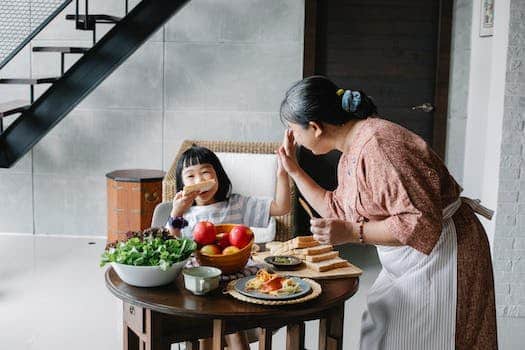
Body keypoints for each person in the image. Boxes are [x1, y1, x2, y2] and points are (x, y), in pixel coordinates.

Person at [276, 75, 497, 349]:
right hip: (413, 258)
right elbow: (336, 208)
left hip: (445, 254)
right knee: (381, 334)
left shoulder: (379, 146)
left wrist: (353, 233)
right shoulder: (351, 151)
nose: (294, 140)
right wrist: (293, 169)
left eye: (293, 131)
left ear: (315, 127)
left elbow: (421, 223)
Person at [166, 145, 290, 350]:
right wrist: (176, 214)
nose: (199, 181)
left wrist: (283, 173)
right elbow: (170, 249)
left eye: (205, 172)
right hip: (201, 292)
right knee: (205, 333)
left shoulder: (236, 204)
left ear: (218, 175)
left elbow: (281, 207)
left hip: (235, 287)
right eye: (190, 176)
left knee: (234, 332)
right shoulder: (183, 216)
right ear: (182, 184)